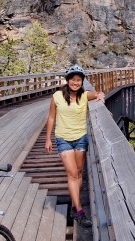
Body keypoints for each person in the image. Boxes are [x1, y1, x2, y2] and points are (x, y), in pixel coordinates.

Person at [45, 64, 104, 228]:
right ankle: (79, 211)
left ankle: (73, 205)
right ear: (68, 80)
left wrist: (101, 96)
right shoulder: (57, 96)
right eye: (73, 79)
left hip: (80, 138)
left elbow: (98, 93)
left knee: (79, 173)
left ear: (82, 82)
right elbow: (51, 118)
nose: (75, 83)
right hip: (63, 139)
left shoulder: (84, 95)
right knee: (72, 174)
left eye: (78, 80)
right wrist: (48, 139)